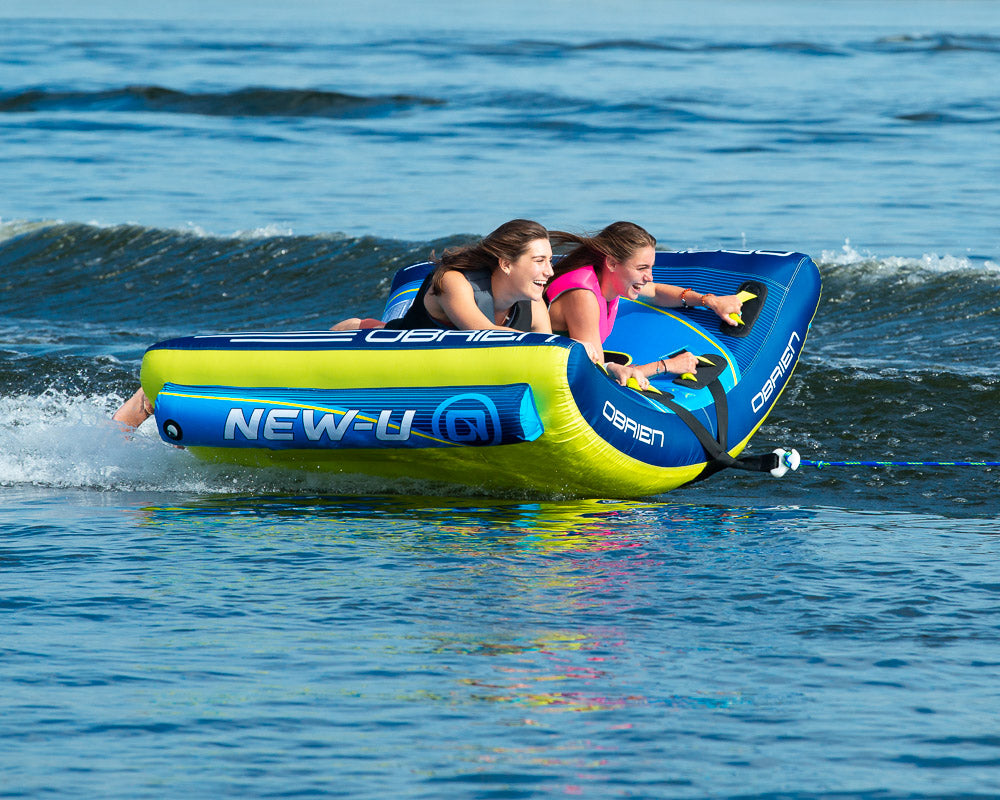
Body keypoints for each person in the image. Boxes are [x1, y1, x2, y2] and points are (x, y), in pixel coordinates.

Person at [545, 221, 745, 389]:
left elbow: (656, 292)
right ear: (612, 263)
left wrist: (709, 301)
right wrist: (666, 366)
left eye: (650, 268)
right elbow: (596, 375)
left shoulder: (611, 280)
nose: (649, 276)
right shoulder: (583, 296)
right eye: (642, 268)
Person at [333, 218, 556, 334]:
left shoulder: (532, 305)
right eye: (539, 260)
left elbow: (549, 351)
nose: (550, 271)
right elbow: (482, 333)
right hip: (389, 343)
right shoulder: (455, 281)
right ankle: (354, 325)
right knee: (376, 329)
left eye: (549, 260)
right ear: (506, 264)